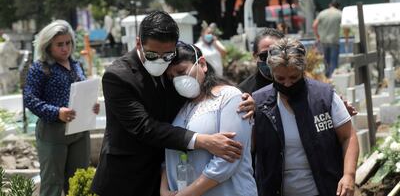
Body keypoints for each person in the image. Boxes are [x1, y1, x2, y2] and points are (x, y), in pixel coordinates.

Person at [91, 11, 255, 196]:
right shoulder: (118, 76)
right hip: (128, 178)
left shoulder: (173, 66)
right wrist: (202, 141)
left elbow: (198, 84)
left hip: (168, 178)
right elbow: (144, 127)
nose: (160, 61)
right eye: (152, 55)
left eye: (167, 55)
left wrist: (243, 97)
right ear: (139, 43)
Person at [253, 38, 359, 196]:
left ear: (303, 71)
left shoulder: (324, 97)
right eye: (280, 79)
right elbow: (249, 148)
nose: (287, 84)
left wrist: (349, 175)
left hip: (325, 189)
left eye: (293, 78)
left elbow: (348, 136)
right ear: (272, 74)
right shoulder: (258, 103)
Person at [160, 43, 257, 196]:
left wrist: (187, 194)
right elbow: (170, 151)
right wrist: (164, 189)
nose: (177, 80)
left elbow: (228, 158)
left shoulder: (229, 97)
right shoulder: (180, 107)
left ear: (202, 64)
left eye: (181, 71)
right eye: (171, 77)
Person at [23, 20, 100, 196]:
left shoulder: (76, 65)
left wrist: (91, 106)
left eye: (68, 43)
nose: (65, 48)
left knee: (80, 181)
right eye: (59, 44)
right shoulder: (40, 68)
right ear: (48, 45)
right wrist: (56, 112)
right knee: (52, 185)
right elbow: (29, 99)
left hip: (79, 132)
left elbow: (82, 92)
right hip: (53, 133)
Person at [238, 28, 285, 94]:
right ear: (255, 56)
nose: (270, 60)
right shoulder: (244, 92)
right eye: (264, 56)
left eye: (276, 54)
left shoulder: (296, 83)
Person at [312, 0, 343, 78]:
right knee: (334, 63)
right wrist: (346, 39)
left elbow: (314, 25)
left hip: (323, 41)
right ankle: (333, 81)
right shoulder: (340, 14)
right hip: (334, 41)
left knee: (326, 63)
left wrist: (318, 36)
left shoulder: (322, 13)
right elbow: (346, 27)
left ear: (330, 5)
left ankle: (326, 79)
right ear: (338, 6)